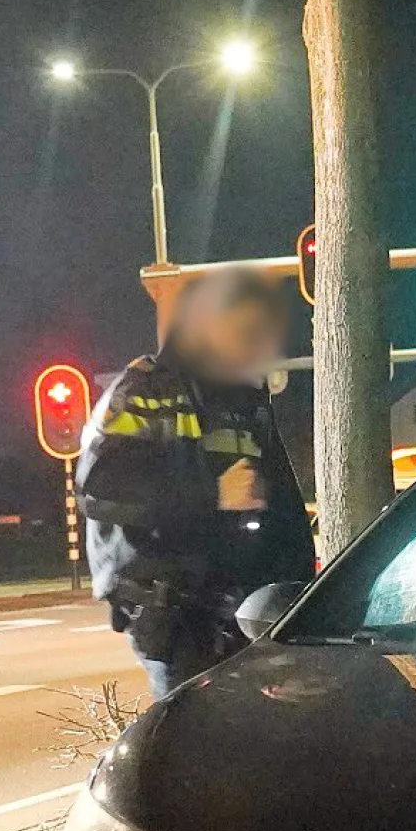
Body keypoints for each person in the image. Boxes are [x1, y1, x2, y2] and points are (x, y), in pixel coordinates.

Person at [78, 269, 314, 700]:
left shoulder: (246, 399)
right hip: (175, 617)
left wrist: (301, 598)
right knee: (191, 746)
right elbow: (105, 489)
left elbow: (285, 507)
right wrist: (211, 494)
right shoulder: (144, 389)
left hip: (250, 616)